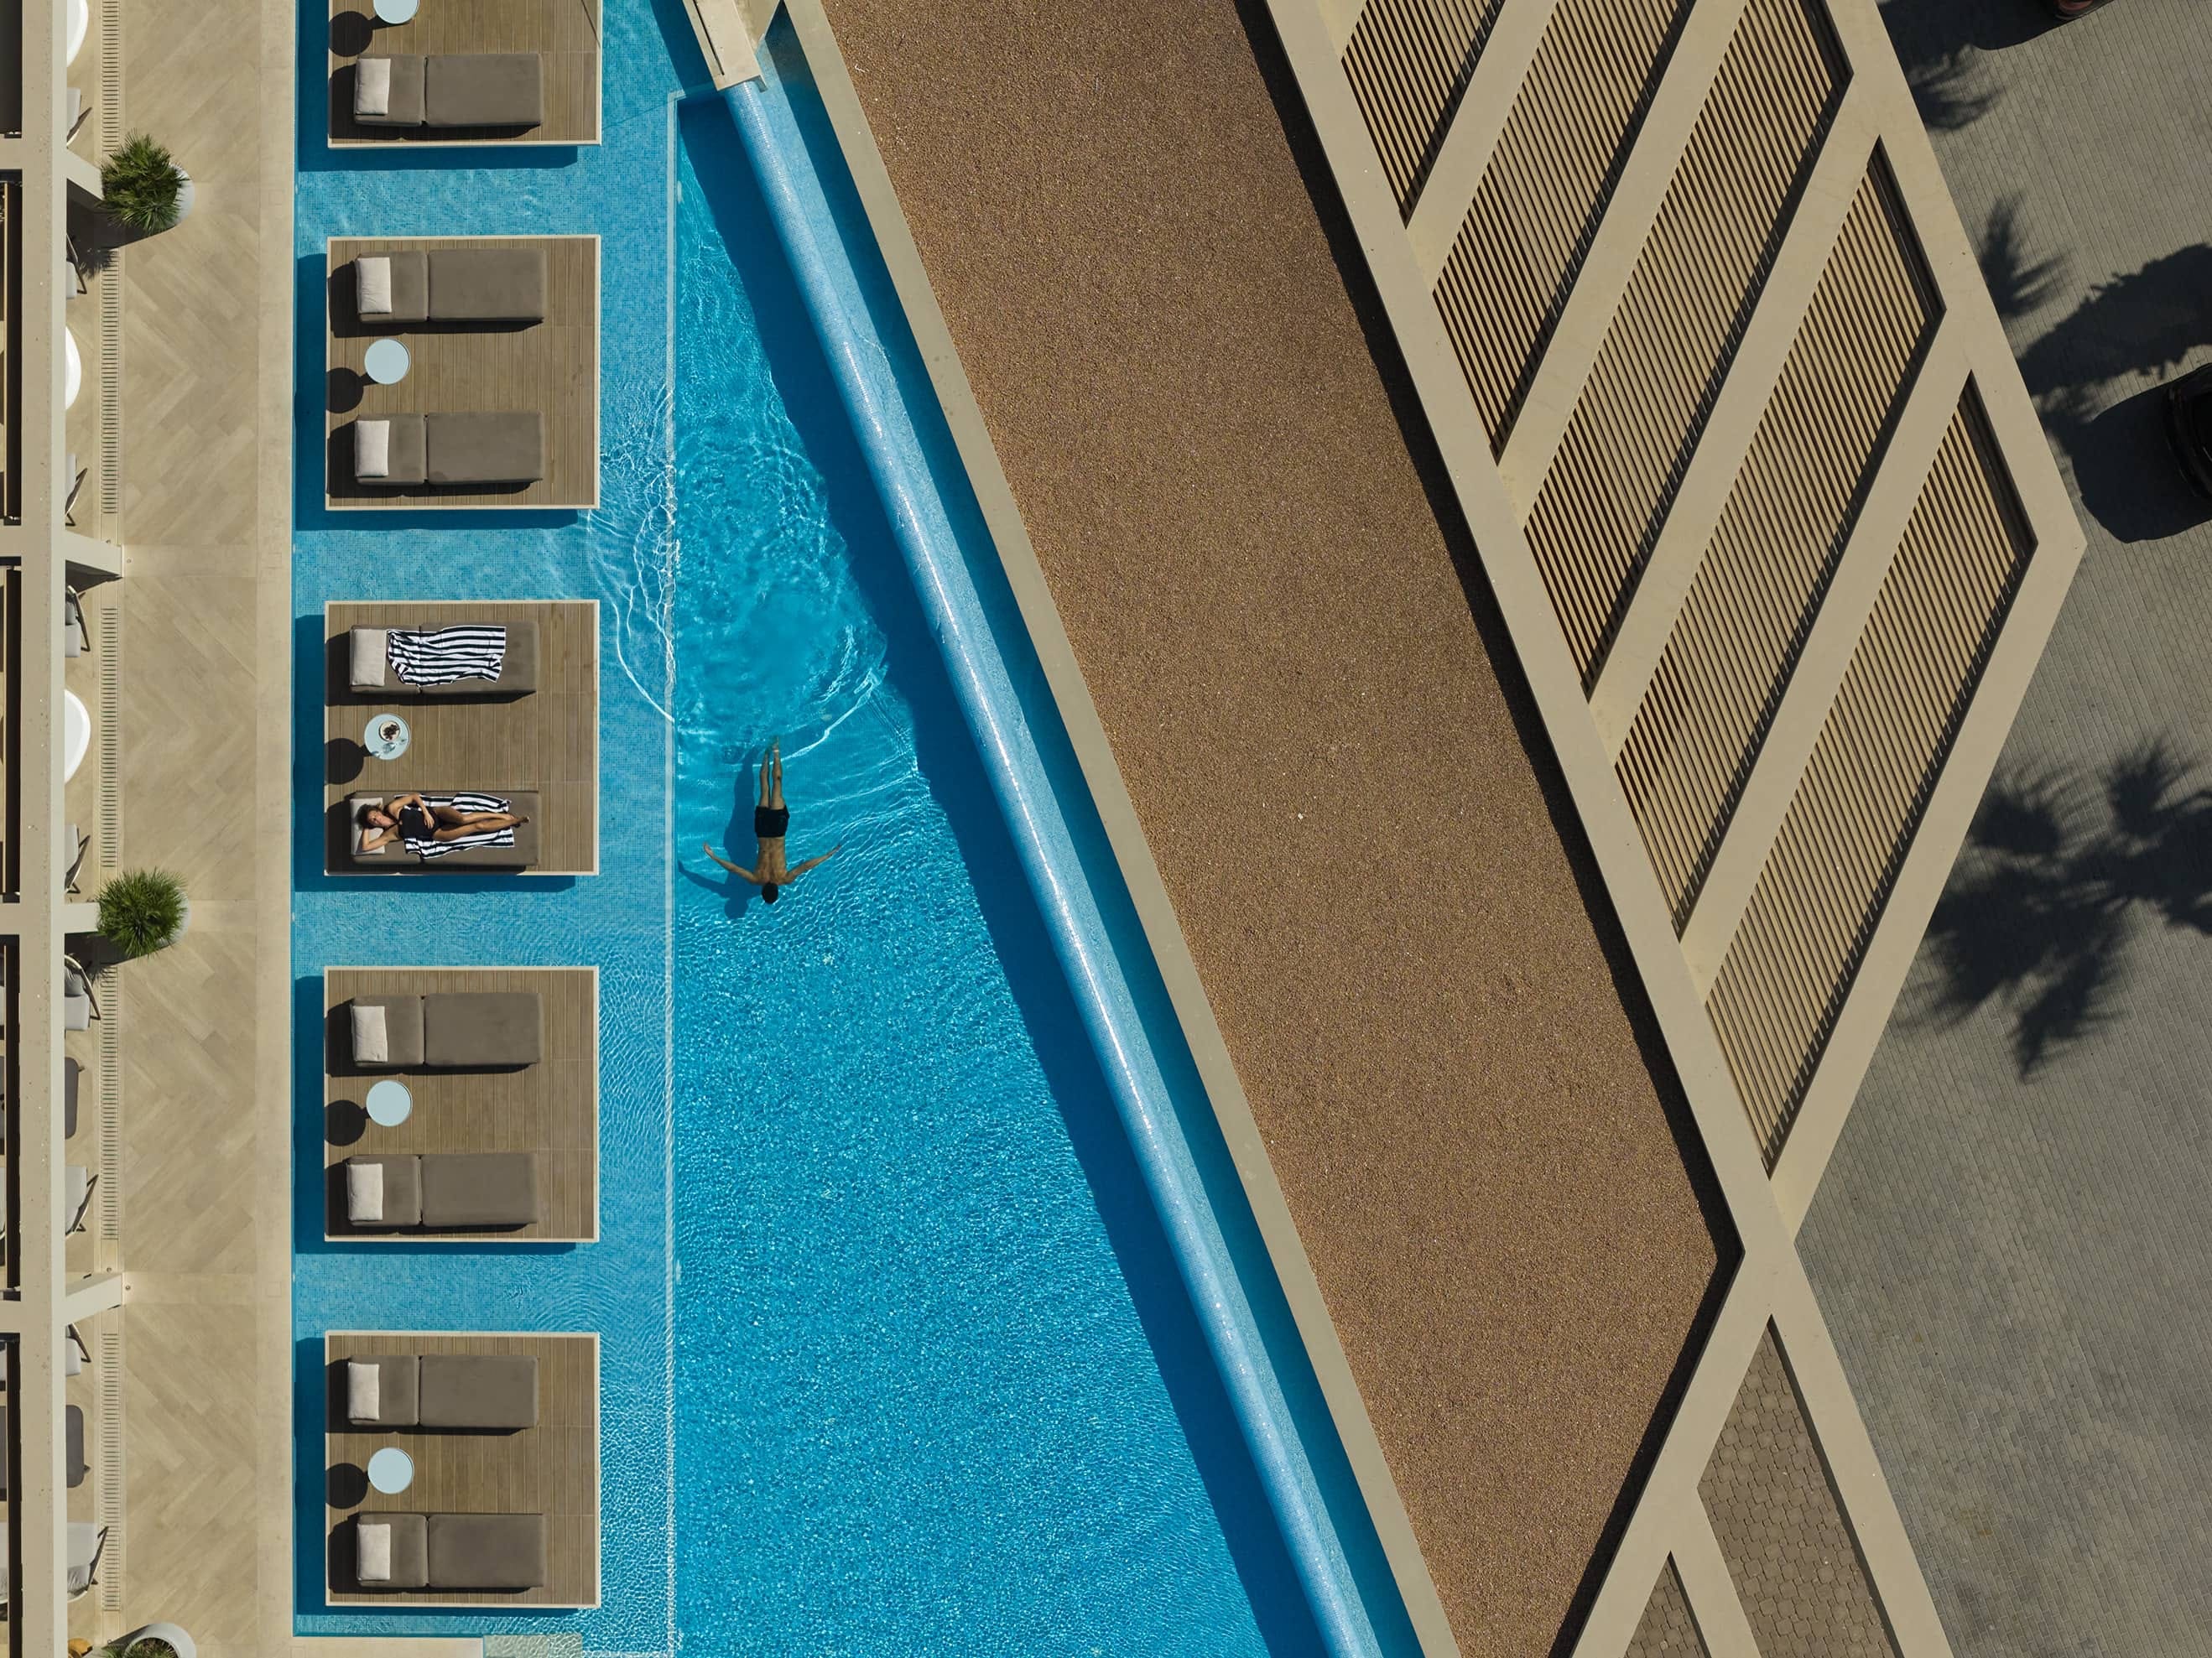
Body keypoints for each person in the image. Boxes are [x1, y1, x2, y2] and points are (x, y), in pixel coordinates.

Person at [702, 737, 841, 904]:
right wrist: (827, 855)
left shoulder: (756, 879)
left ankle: (767, 755)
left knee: (767, 786)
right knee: (773, 786)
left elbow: (733, 868)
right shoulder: (784, 878)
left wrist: (713, 857)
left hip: (763, 830)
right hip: (776, 830)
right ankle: (774, 752)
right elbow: (806, 866)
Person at [357, 791, 527, 855]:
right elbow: (365, 847)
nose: (376, 819)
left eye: (375, 815)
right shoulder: (388, 835)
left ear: (379, 811)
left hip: (436, 814)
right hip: (437, 834)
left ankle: (500, 815)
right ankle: (514, 821)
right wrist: (365, 826)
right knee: (477, 827)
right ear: (373, 825)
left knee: (463, 819)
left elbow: (415, 796)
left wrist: (425, 812)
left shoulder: (393, 807)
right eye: (373, 821)